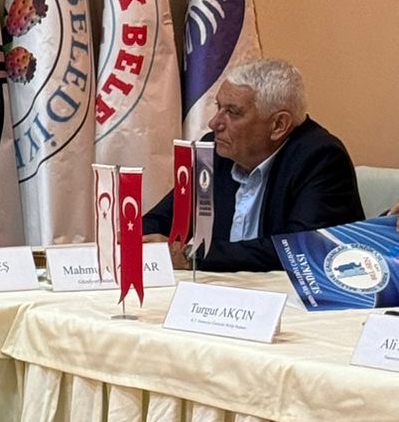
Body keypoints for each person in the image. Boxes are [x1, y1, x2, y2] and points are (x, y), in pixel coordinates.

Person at [142, 57, 361, 272]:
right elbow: (163, 219)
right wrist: (141, 240)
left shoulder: (320, 158)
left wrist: (193, 255)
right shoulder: (215, 150)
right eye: (219, 107)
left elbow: (298, 250)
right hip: (221, 287)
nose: (214, 123)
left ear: (278, 125)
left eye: (232, 112)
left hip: (287, 291)